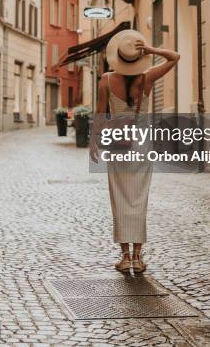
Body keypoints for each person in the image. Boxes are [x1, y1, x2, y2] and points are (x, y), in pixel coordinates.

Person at [90, 29, 179, 274]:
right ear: (138, 58)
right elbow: (174, 57)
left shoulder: (106, 80)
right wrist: (151, 50)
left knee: (119, 199)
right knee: (139, 200)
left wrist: (94, 142)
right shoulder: (147, 78)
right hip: (141, 146)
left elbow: (100, 115)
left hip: (118, 145)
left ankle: (125, 256)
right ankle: (138, 258)